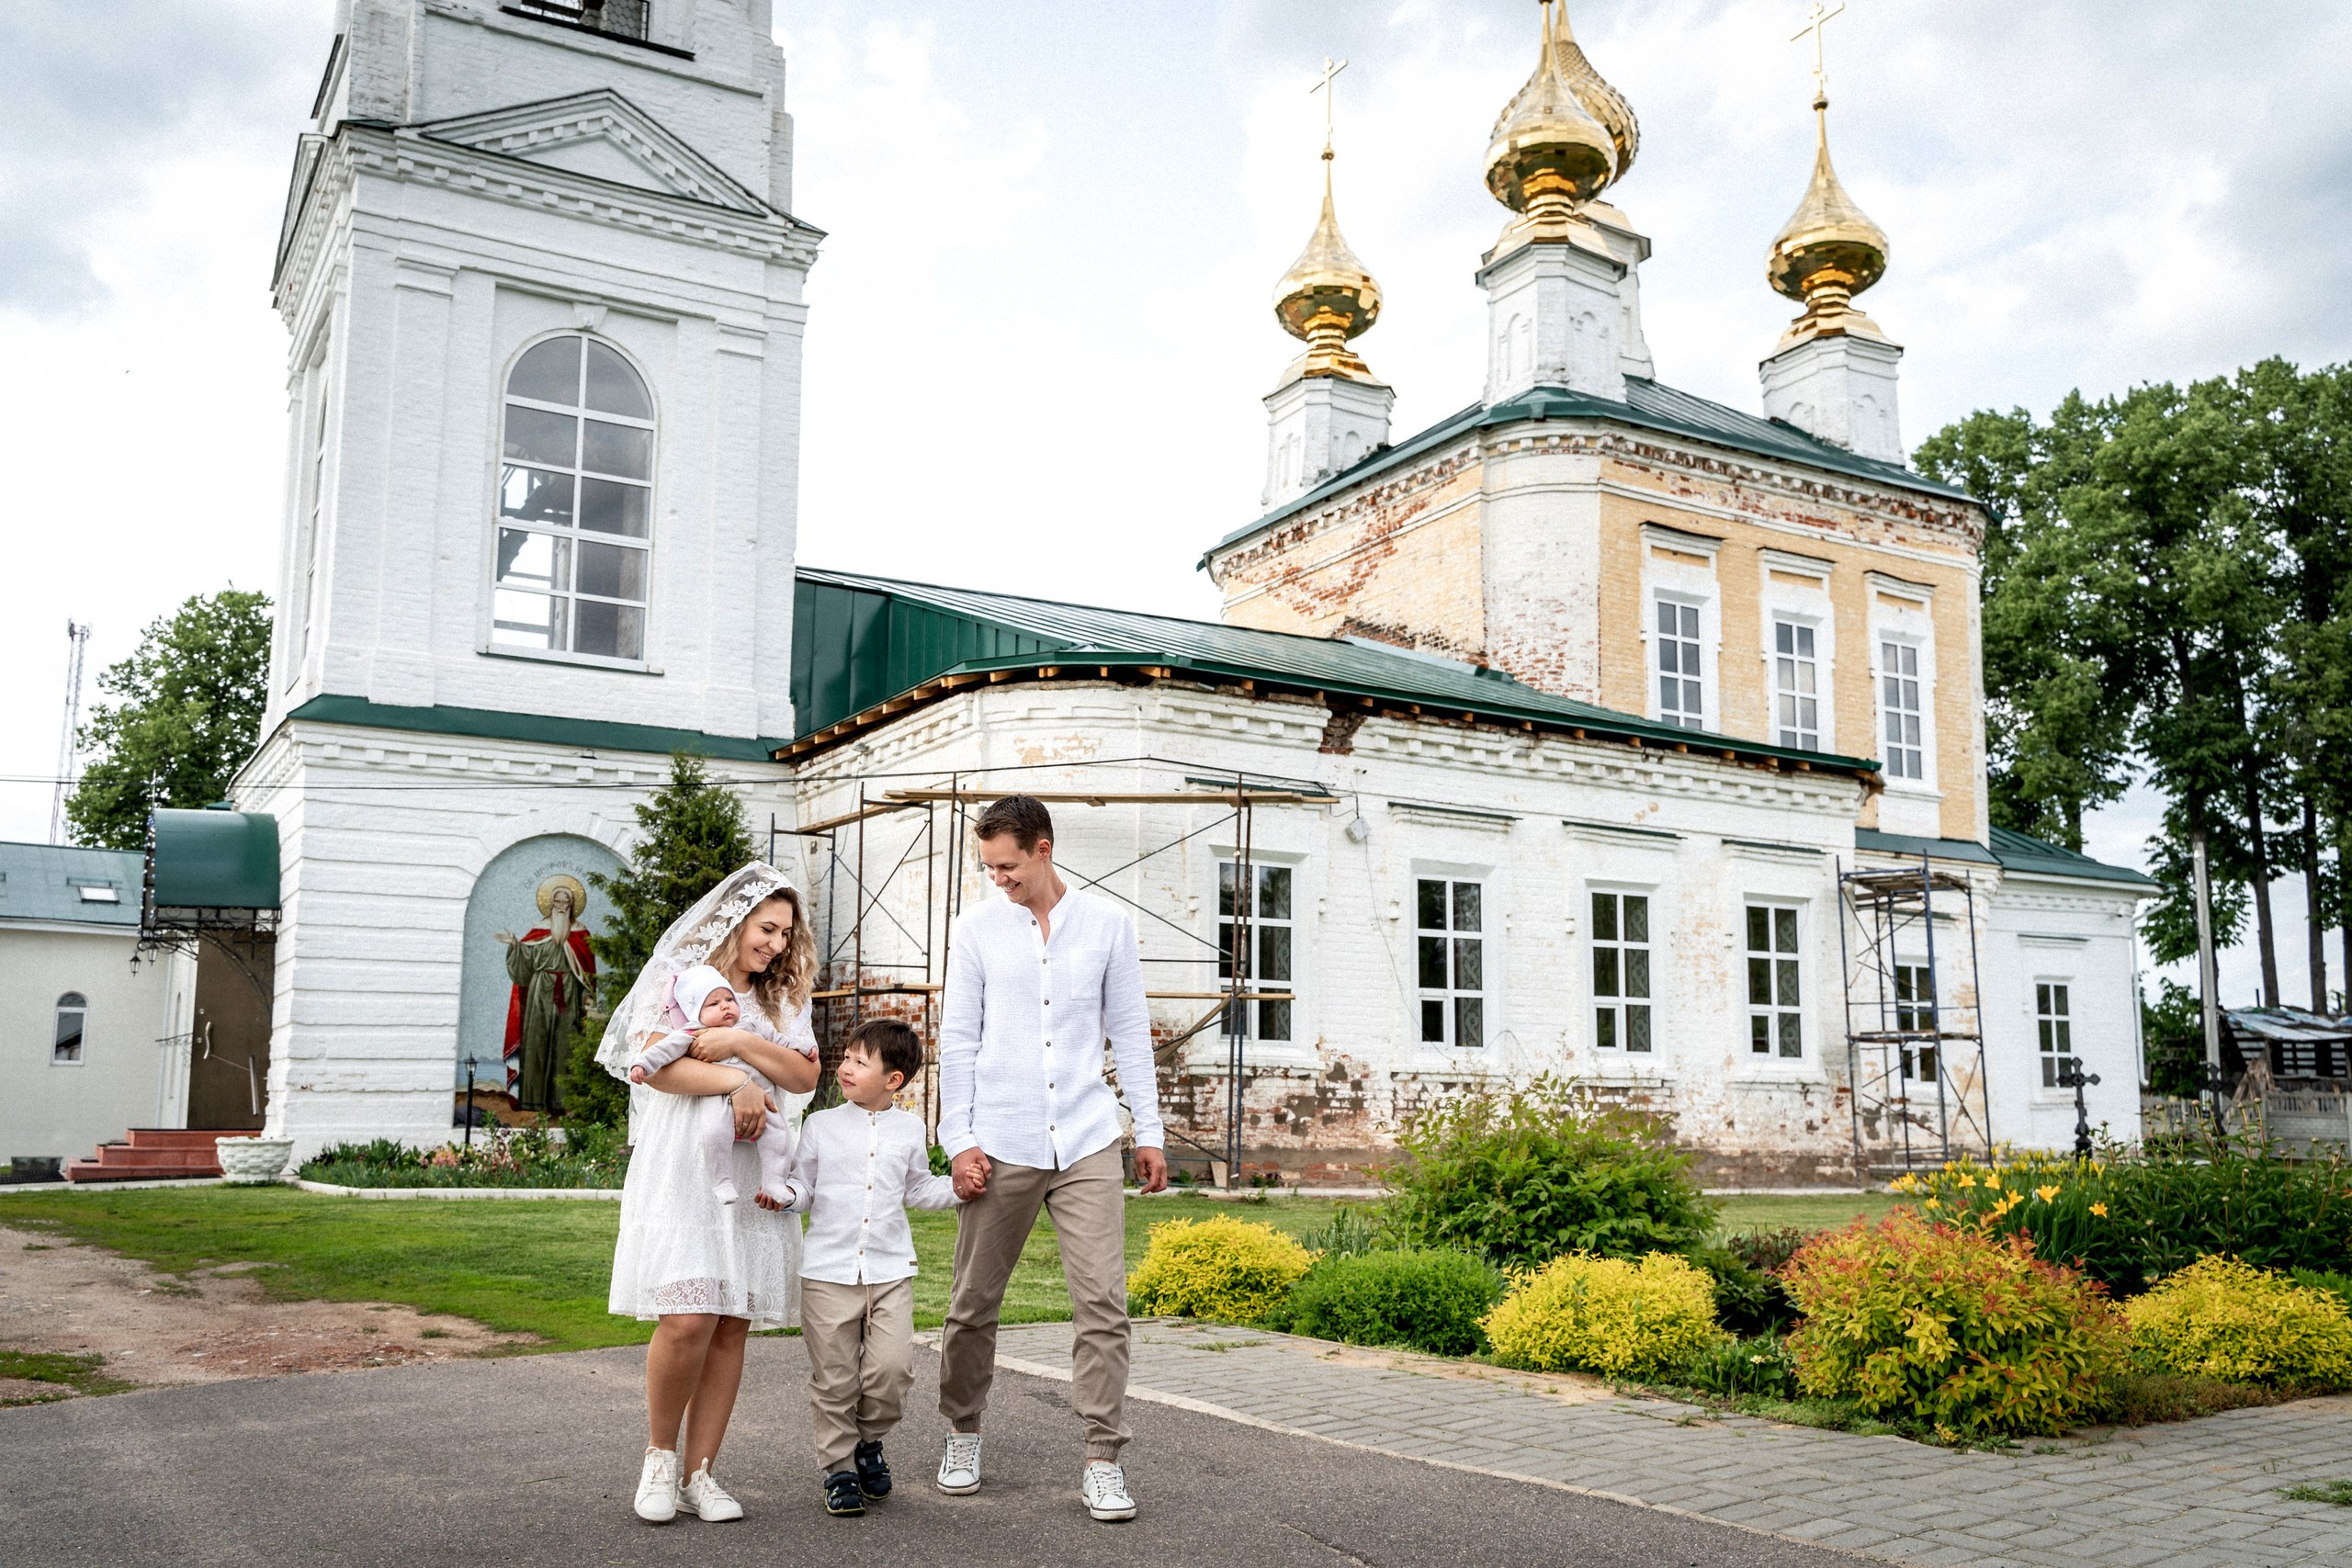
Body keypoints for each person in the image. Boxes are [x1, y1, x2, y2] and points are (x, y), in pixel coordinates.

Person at [933, 794, 1168, 1523]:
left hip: (1086, 1136)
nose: (997, 878)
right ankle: (962, 1431)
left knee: (1103, 1303)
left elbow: (1130, 1031)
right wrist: (958, 1137)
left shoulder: (1107, 926)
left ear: (1043, 848)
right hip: (1000, 1140)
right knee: (973, 1302)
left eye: (1007, 865)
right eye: (988, 867)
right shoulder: (975, 928)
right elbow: (958, 1039)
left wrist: (1150, 1129)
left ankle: (1103, 1456)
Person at [595, 864, 821, 1525]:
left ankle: (701, 1473)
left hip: (753, 1170)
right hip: (685, 1165)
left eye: (786, 933)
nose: (777, 945)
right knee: (687, 1315)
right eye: (766, 928)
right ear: (734, 921)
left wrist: (743, 1040)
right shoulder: (678, 978)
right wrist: (737, 1081)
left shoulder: (782, 999)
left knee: (729, 1322)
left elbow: (804, 1078)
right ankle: (660, 1458)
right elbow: (652, 1066)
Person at [770, 1018, 961, 1517]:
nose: (846, 1067)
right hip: (827, 1273)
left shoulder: (910, 1129)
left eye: (860, 1061)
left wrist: (959, 1189)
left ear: (893, 1080)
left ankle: (867, 1440)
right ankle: (839, 1468)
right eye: (847, 1057)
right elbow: (804, 1186)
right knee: (835, 1381)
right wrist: (786, 1196)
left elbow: (918, 1188)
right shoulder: (821, 1125)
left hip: (890, 1272)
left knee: (891, 1372)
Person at [627, 964, 794, 1208]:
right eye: (713, 1004)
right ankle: (722, 1181)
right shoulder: (693, 1033)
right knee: (714, 1133)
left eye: (729, 999)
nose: (725, 1006)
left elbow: (780, 1041)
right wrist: (643, 1065)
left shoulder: (750, 1025)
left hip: (763, 1099)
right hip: (718, 1098)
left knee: (778, 1136)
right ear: (696, 1012)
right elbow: (663, 1050)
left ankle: (774, 1181)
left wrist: (803, 1049)